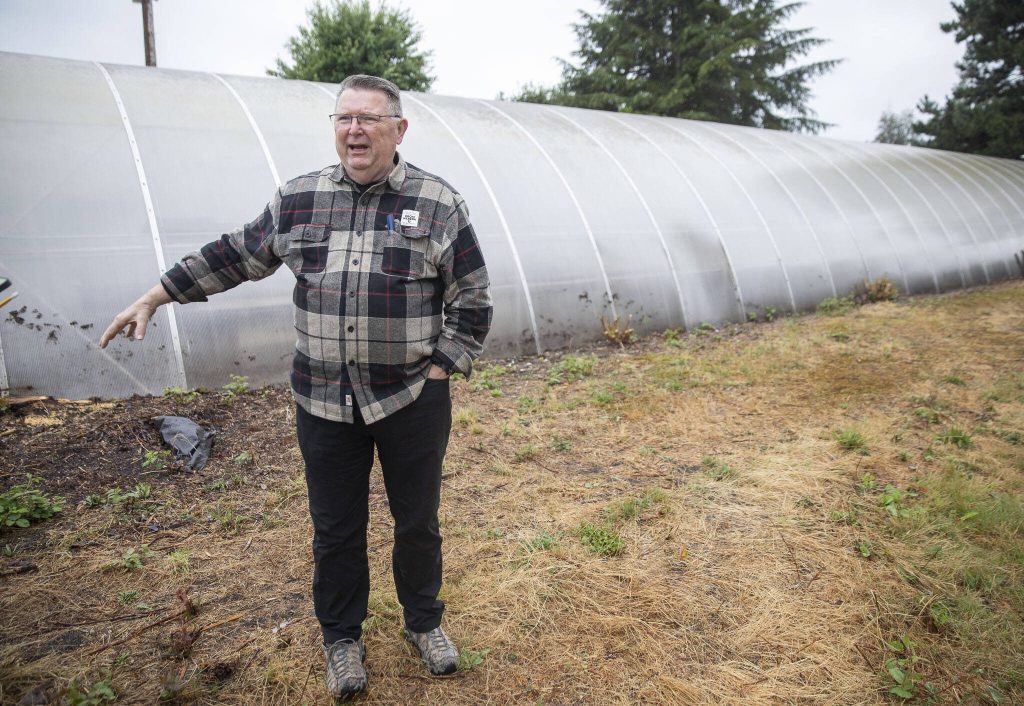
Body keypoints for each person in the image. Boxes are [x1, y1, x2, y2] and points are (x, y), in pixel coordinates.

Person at [100, 74, 492, 699]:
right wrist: (158, 294)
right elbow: (236, 255)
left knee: (416, 520)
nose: (354, 131)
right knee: (335, 527)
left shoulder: (438, 203)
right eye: (343, 119)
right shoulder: (300, 199)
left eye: (368, 119)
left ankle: (424, 623)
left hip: (411, 397)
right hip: (323, 399)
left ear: (399, 129)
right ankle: (342, 639)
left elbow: (472, 296)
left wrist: (442, 367)